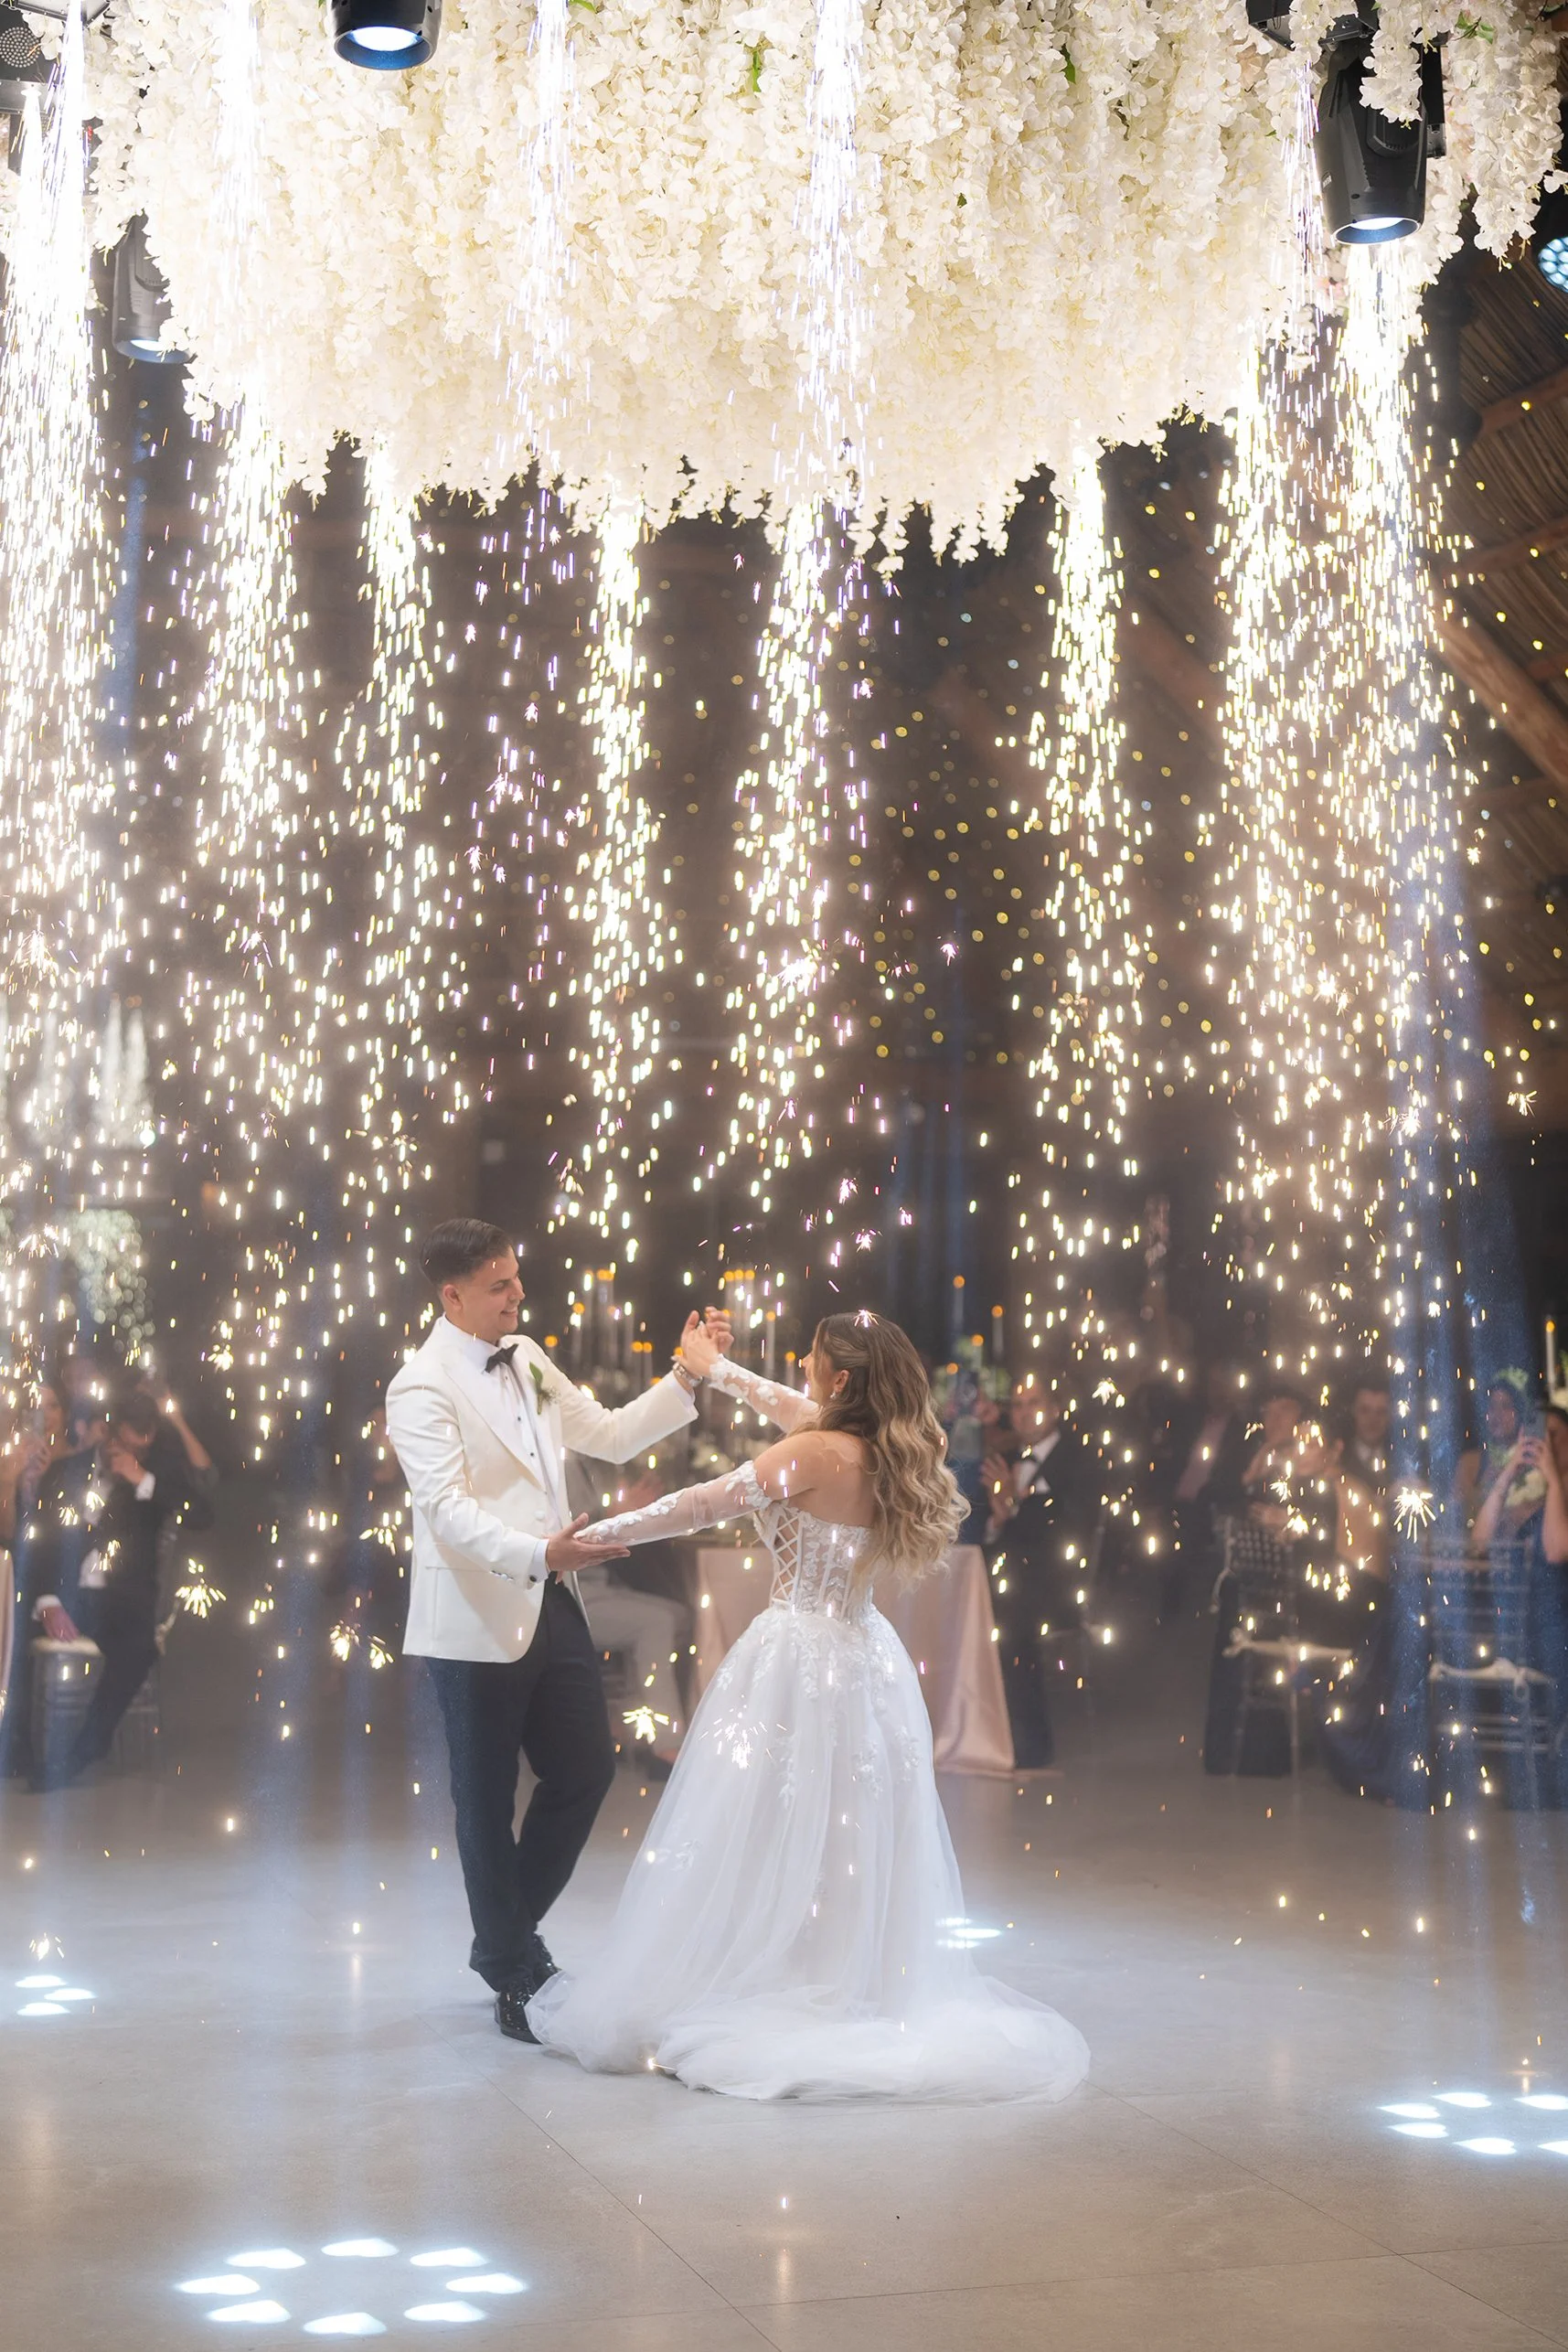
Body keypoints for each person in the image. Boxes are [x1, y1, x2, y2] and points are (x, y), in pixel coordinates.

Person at [528, 1311, 1089, 2103]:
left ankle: (780, 1980)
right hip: (864, 1658)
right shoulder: (880, 1446)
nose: (800, 1367)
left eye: (813, 1359)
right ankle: (838, 1974)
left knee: (765, 1821)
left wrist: (591, 1538)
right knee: (843, 1829)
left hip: (796, 1657)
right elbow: (789, 1406)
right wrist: (714, 1371)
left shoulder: (813, 1453)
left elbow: (698, 1505)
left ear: (843, 1380)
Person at [383, 1217, 731, 2043]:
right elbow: (446, 1514)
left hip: (553, 1600)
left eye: (516, 1279)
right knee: (483, 1805)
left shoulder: (529, 1356)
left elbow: (609, 1435)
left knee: (585, 1771)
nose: (518, 1294)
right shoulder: (419, 1384)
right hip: (472, 1619)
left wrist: (688, 1374)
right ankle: (512, 1970)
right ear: (453, 1295)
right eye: (501, 1285)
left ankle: (500, 1939)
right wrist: (543, 1550)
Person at [19, 1389, 214, 1790]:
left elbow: (203, 1515)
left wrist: (141, 1478)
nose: (135, 1450)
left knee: (139, 1648)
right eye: (127, 1442)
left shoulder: (155, 1473)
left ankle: (84, 1750)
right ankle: (18, 1749)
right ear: (109, 1432)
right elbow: (38, 1542)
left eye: (144, 1442)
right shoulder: (67, 1472)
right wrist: (48, 1603)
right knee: (13, 1632)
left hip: (120, 1600)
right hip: (65, 1595)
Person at [981, 1371, 1104, 1770]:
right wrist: (1000, 1517)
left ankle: (1029, 1745)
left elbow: (1074, 1524)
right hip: (1016, 1581)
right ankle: (982, 1733)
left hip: (1059, 1585)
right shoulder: (1009, 1461)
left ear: (1054, 1410)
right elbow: (999, 1532)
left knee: (1011, 1621)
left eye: (1034, 1404)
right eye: (1017, 1405)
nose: (1024, 1414)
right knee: (975, 1611)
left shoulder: (1077, 1458)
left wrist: (1021, 1501)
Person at [0, 1384, 70, 1777]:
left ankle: (18, 1742)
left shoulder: (74, 1464)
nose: (43, 1417)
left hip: (59, 1581)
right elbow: (9, 1537)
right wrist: (13, 1483)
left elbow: (58, 1542)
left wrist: (39, 1487)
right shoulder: (10, 1458)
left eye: (52, 1406)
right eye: (34, 1408)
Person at [1454, 1370, 1546, 1546]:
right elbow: (1456, 1514)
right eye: (1492, 1406)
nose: (1497, 1414)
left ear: (1520, 1413)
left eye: (1506, 1406)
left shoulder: (1536, 1460)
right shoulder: (1470, 1462)